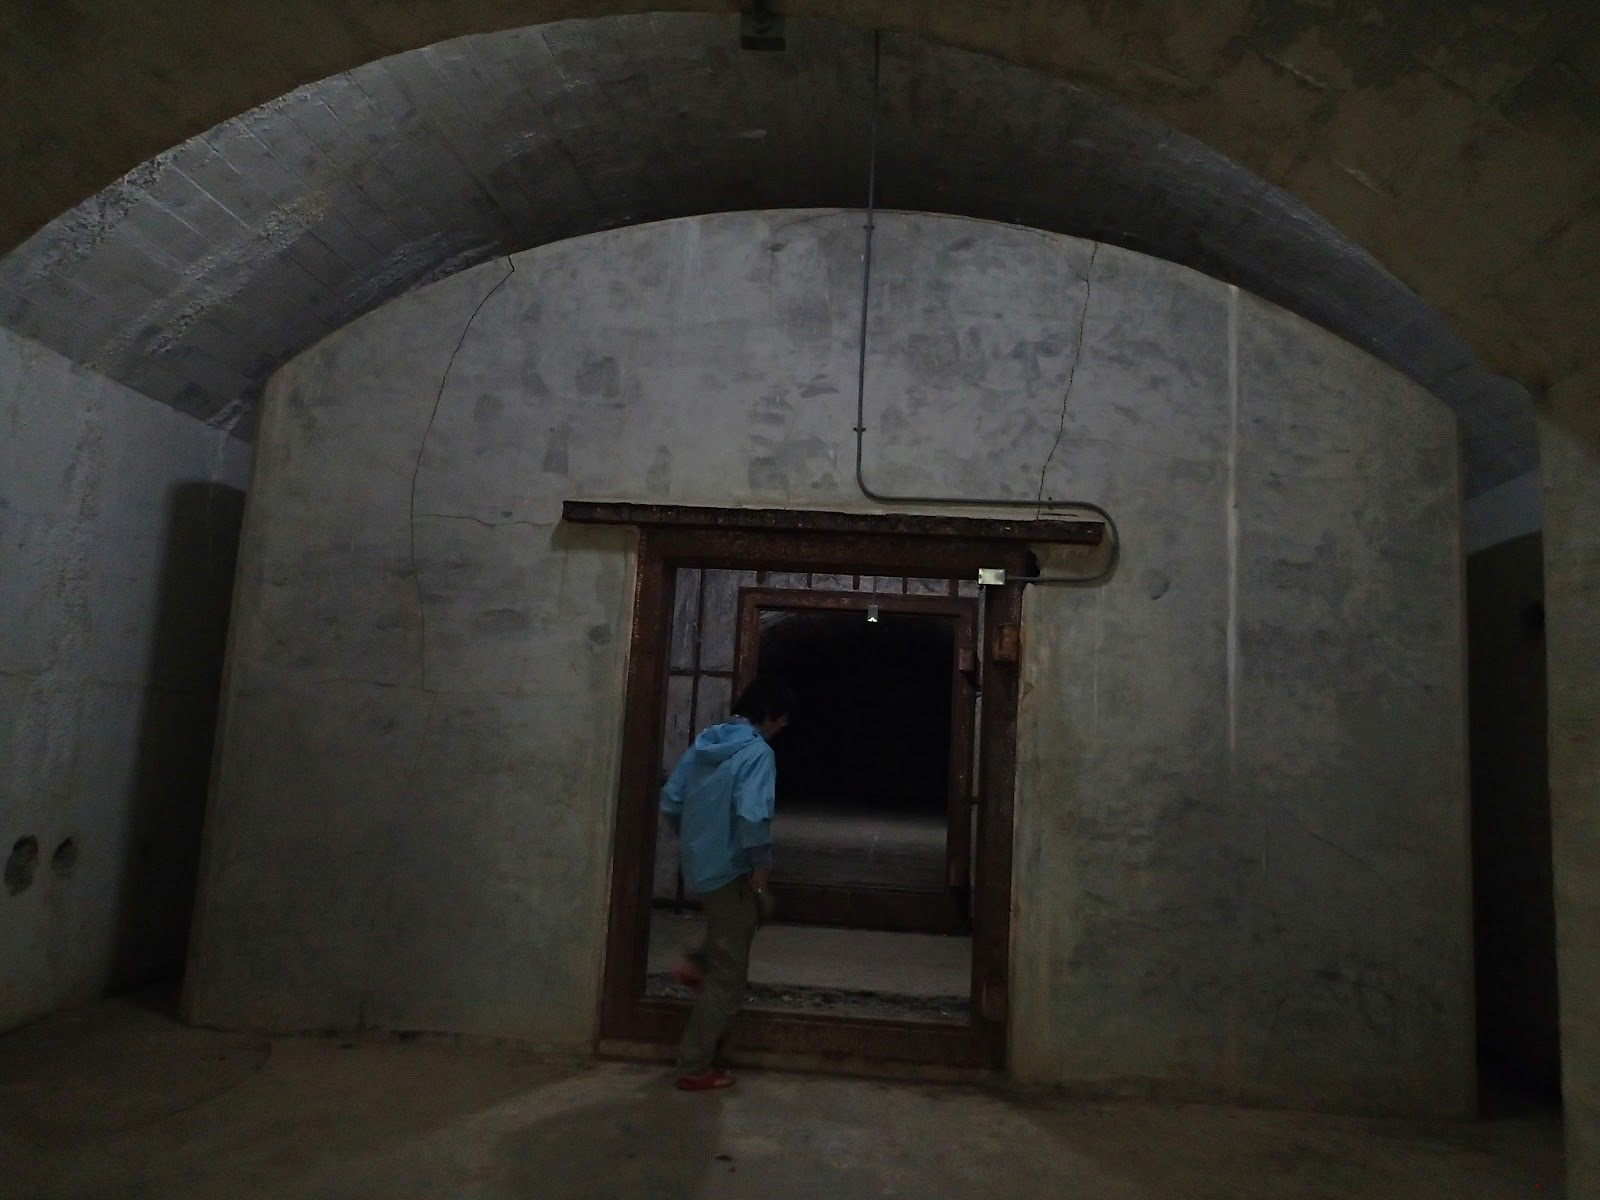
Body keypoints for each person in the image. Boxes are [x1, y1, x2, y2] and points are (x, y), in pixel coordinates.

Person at [659, 676, 795, 1091]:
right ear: (769, 714)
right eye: (782, 718)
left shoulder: (707, 742)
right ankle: (694, 1066)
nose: (783, 726)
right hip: (731, 870)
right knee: (728, 980)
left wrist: (696, 839)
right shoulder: (757, 753)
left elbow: (671, 800)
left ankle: (698, 963)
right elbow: (753, 817)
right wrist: (760, 867)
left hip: (701, 864)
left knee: (756, 911)